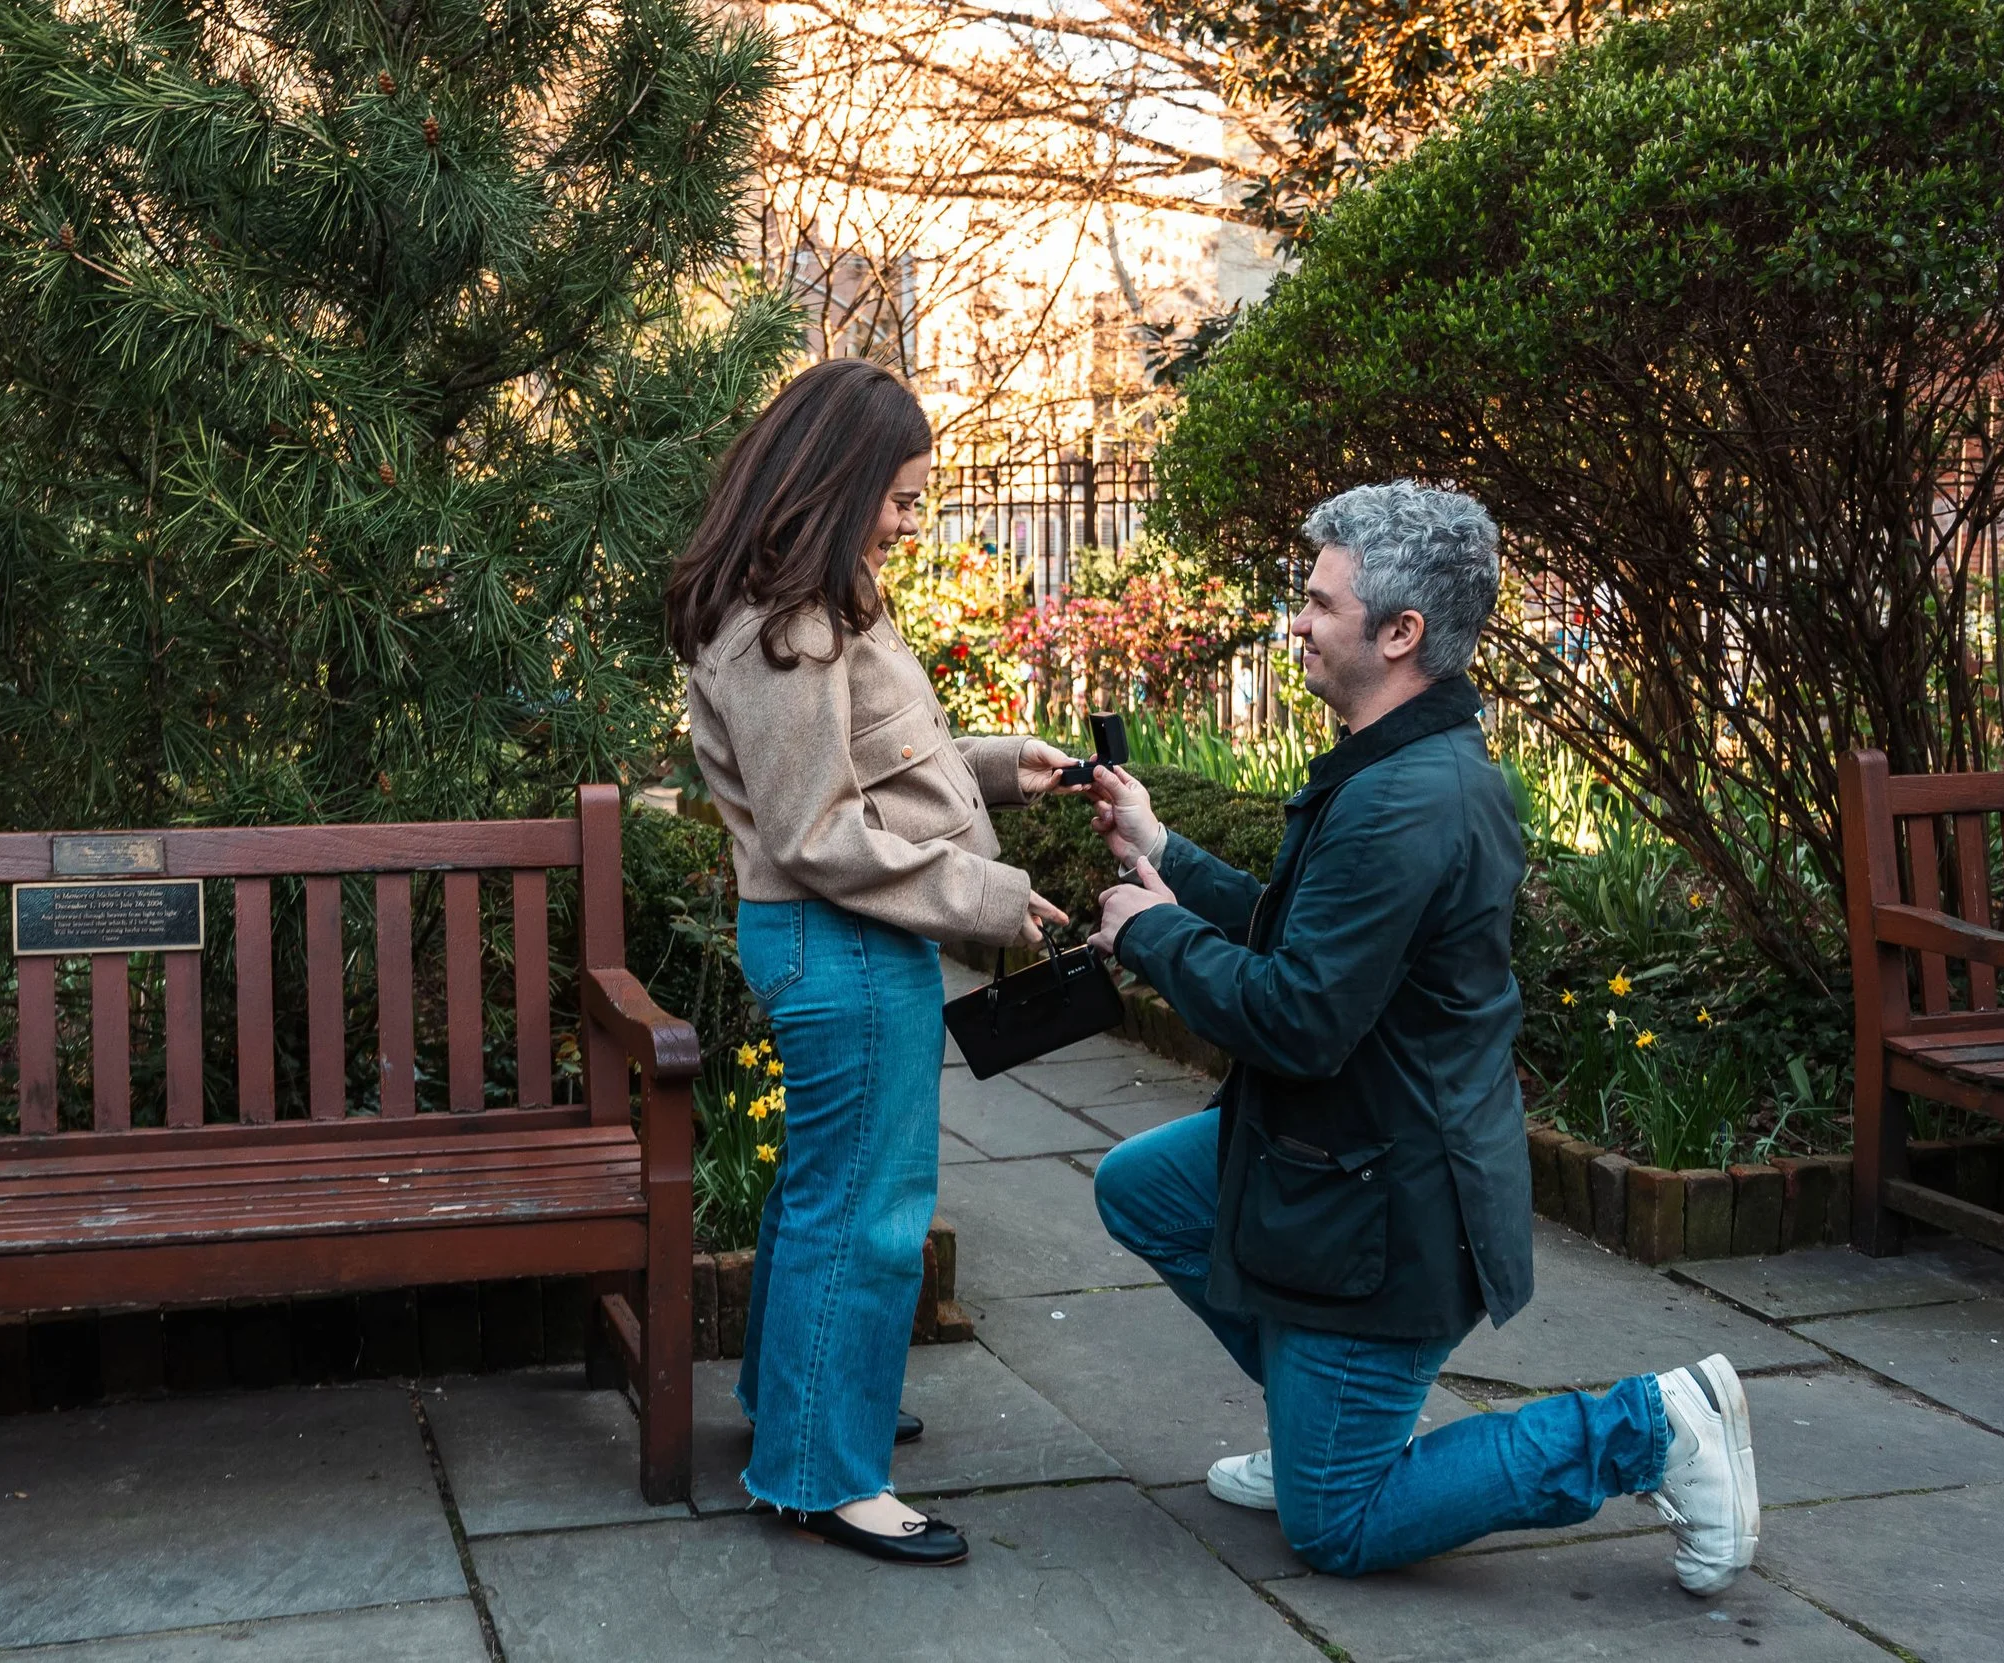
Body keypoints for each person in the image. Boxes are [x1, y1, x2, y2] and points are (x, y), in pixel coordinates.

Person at [1082, 482, 1759, 1588]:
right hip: (1339, 1156)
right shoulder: (1392, 770)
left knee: (1338, 1528)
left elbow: (1300, 1018)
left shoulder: (1410, 798)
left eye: (1317, 603)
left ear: (1400, 634)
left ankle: (1650, 1428)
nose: (1294, 622)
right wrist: (1169, 854)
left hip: (1388, 1203)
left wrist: (1153, 935)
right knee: (1146, 1187)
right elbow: (1318, 942)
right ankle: (1320, 1418)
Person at [666, 359, 1079, 1566]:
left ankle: (801, 1405)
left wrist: (1005, 767)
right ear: (836, 483)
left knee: (828, 1190)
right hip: (838, 937)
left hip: (841, 934)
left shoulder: (822, 602)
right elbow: (818, 833)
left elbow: (874, 765)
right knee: (872, 1208)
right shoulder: (787, 629)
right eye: (899, 496)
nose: (908, 519)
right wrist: (991, 899)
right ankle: (821, 1472)